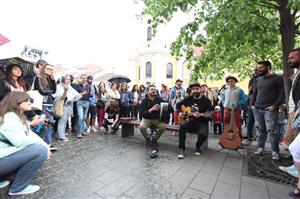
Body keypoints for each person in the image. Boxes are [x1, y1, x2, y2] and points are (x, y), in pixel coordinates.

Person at [0, 91, 51, 195]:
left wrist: (45, 145)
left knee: (39, 148)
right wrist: (43, 148)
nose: (30, 103)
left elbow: (30, 134)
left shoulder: (16, 116)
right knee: (39, 151)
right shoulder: (9, 117)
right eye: (26, 100)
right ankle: (17, 188)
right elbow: (20, 141)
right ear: (16, 102)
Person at [251, 61, 285, 160]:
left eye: (261, 68)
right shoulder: (258, 79)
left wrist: (274, 106)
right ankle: (260, 148)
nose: (258, 70)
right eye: (258, 68)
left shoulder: (278, 78)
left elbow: (282, 94)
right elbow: (255, 93)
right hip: (257, 109)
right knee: (260, 130)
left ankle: (275, 151)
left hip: (270, 110)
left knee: (271, 131)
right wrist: (252, 105)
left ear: (268, 67)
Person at [176, 83, 212, 159]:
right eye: (193, 89)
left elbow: (210, 116)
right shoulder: (189, 98)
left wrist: (201, 115)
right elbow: (178, 105)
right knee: (182, 126)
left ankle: (198, 146)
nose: (195, 90)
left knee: (203, 135)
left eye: (197, 89)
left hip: (202, 122)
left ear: (200, 89)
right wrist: (180, 112)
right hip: (190, 121)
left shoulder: (207, 101)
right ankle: (181, 148)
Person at [34, 61, 57, 147]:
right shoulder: (38, 77)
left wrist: (53, 81)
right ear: (43, 69)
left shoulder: (50, 79)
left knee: (49, 124)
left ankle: (48, 142)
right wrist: (50, 92)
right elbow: (42, 91)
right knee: (41, 123)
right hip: (42, 104)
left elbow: (54, 91)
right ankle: (40, 141)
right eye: (48, 68)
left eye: (51, 69)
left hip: (49, 104)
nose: (50, 70)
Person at [54, 75, 81, 142]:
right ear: (63, 80)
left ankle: (61, 133)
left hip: (68, 105)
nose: (68, 80)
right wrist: (65, 91)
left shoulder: (69, 87)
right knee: (62, 121)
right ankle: (61, 136)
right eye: (67, 79)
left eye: (69, 79)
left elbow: (75, 95)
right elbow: (61, 97)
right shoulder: (59, 87)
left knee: (65, 120)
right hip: (62, 106)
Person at [221, 75, 247, 140]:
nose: (230, 83)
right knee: (226, 124)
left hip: (235, 110)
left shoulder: (239, 90)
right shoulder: (225, 90)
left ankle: (239, 139)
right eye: (229, 81)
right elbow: (223, 98)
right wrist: (224, 104)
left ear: (235, 82)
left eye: (232, 81)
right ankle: (226, 138)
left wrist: (237, 104)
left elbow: (244, 100)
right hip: (226, 110)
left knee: (237, 124)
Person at [244, 65, 259, 145]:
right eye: (254, 70)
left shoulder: (263, 79)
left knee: (260, 124)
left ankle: (260, 142)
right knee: (250, 122)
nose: (255, 72)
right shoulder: (252, 80)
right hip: (252, 103)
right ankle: (249, 138)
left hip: (261, 104)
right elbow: (250, 91)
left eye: (256, 70)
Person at [74, 74, 91, 138]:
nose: (84, 79)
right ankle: (79, 133)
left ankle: (82, 131)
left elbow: (89, 94)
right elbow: (75, 95)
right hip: (80, 102)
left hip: (86, 103)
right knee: (80, 117)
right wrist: (82, 93)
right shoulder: (77, 85)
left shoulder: (88, 86)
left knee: (84, 117)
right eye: (83, 78)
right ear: (80, 78)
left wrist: (91, 93)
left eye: (85, 78)